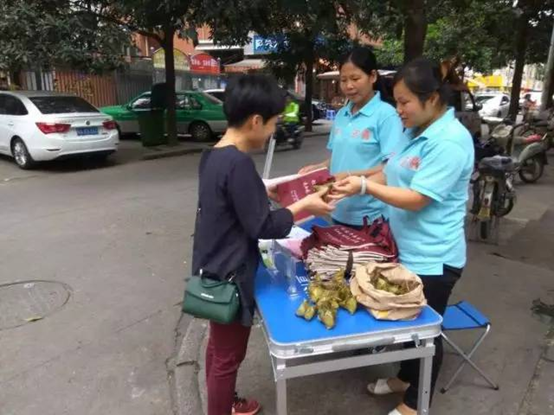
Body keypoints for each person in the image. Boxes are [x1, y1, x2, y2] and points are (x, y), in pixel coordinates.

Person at [330, 57, 474, 415]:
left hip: (434, 257)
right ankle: (405, 377)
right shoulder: (416, 131)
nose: (399, 110)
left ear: (433, 99)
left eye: (404, 102)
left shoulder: (449, 142)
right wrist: (355, 185)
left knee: (426, 331)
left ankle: (415, 403)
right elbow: (392, 173)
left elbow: (416, 198)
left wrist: (365, 185)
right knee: (408, 324)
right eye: (397, 101)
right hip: (405, 250)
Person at [191, 74, 334, 415]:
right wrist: (305, 206)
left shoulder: (212, 155)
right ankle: (221, 408)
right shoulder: (238, 163)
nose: (272, 132)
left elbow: (230, 201)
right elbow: (262, 225)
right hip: (230, 274)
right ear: (255, 120)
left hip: (210, 266)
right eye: (272, 124)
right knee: (228, 356)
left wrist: (261, 190)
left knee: (218, 347)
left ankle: (225, 401)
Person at [298, 46, 406, 229]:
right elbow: (339, 157)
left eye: (355, 79)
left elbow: (392, 168)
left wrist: (351, 176)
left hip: (372, 218)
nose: (349, 86)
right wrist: (318, 168)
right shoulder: (341, 115)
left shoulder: (386, 116)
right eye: (343, 80)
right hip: (337, 210)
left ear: (372, 77)